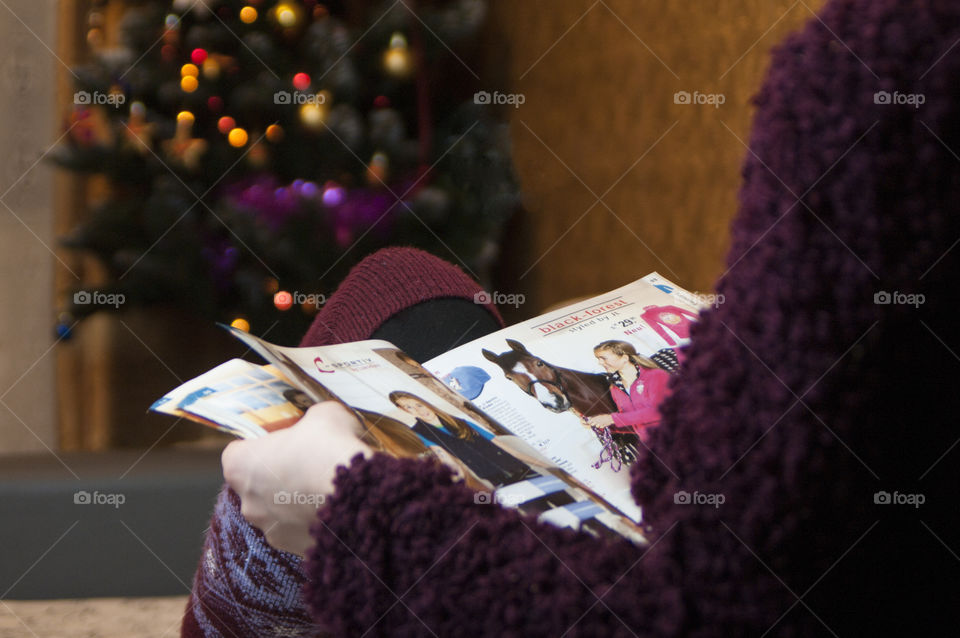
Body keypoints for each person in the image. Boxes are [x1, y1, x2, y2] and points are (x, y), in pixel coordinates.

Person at [184, 1, 960, 635]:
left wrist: (352, 514)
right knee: (406, 284)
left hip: (601, 565)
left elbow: (706, 615)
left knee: (385, 305)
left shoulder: (892, 78)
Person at [388, 390, 540, 488]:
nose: (417, 410)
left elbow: (509, 450)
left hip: (524, 471)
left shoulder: (463, 422)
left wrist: (548, 466)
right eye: (409, 407)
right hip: (498, 482)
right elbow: (446, 459)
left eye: (418, 405)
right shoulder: (419, 433)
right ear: (403, 410)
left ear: (425, 403)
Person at [585, 340, 671, 444]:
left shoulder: (656, 375)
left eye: (603, 358)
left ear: (624, 358)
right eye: (598, 359)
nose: (600, 363)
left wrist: (611, 418)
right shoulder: (615, 389)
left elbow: (659, 411)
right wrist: (600, 424)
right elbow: (631, 425)